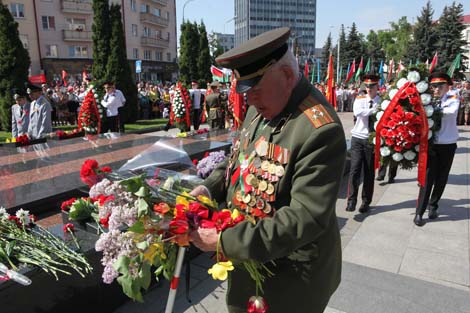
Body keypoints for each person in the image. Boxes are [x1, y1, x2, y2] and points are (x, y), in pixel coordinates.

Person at [189, 27, 346, 313]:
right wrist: (208, 188)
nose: (249, 101)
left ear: (287, 76)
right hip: (250, 256)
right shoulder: (260, 107)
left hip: (291, 276)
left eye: (256, 91)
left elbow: (304, 217)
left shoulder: (319, 129)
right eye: (246, 93)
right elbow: (240, 160)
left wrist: (224, 241)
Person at [414, 72, 459, 227]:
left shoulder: (453, 97)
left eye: (440, 86)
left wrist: (430, 111)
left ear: (447, 86)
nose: (436, 89)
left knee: (441, 177)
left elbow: (451, 112)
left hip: (447, 143)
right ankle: (419, 212)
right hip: (432, 145)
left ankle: (433, 206)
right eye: (434, 86)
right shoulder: (428, 101)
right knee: (427, 179)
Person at [345, 74, 380, 213]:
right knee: (354, 169)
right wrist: (373, 110)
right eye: (367, 86)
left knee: (369, 172)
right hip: (358, 138)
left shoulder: (382, 101)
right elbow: (358, 112)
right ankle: (351, 201)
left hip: (371, 140)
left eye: (372, 86)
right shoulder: (360, 99)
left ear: (377, 86)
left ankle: (366, 201)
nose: (369, 89)